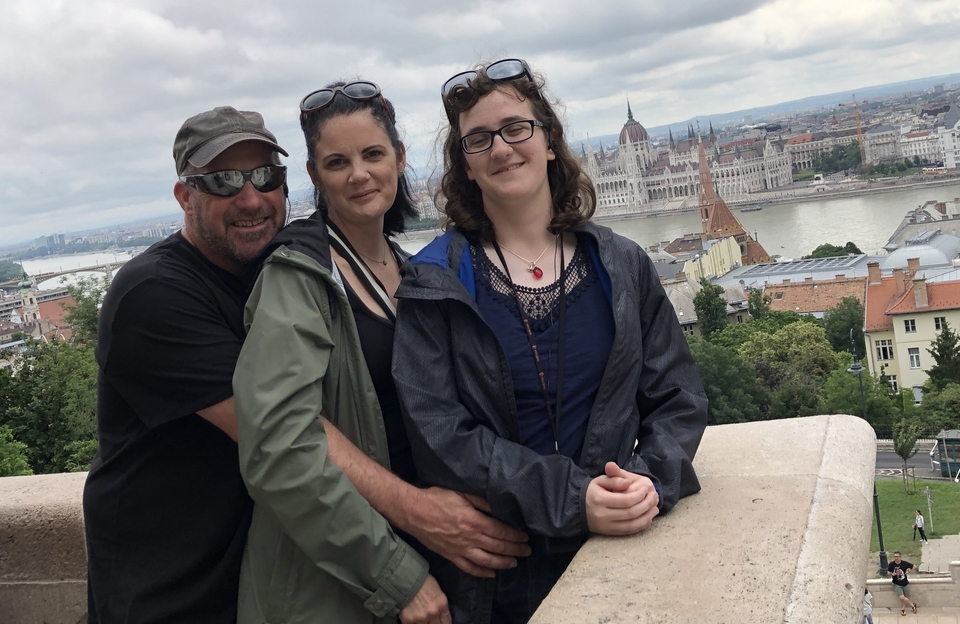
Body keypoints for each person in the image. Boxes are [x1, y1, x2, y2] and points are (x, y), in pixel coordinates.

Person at [392, 58, 709, 623]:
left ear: (550, 142)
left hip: (622, 547)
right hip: (500, 577)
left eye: (516, 128)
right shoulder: (434, 282)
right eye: (479, 139)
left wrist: (649, 481)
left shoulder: (621, 265)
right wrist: (573, 500)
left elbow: (677, 397)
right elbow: (438, 435)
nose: (501, 148)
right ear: (466, 167)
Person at [232, 81, 531, 624]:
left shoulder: (407, 268)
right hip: (335, 586)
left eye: (372, 154)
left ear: (399, 157)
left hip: (413, 562)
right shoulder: (298, 276)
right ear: (314, 176)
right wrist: (398, 575)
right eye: (337, 162)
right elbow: (279, 445)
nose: (359, 174)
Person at [83, 106, 289, 623]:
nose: (251, 198)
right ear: (184, 197)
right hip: (171, 597)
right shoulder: (152, 293)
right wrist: (418, 516)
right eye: (223, 181)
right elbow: (280, 434)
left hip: (251, 587)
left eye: (266, 176)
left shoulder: (272, 272)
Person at [887, 551, 917, 616]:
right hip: (896, 584)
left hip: (905, 583)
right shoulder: (891, 564)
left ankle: (903, 609)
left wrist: (909, 571)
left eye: (897, 557)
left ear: (900, 557)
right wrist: (892, 574)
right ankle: (912, 605)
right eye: (895, 556)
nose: (896, 558)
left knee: (905, 597)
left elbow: (914, 566)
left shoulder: (904, 563)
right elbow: (888, 572)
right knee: (901, 597)